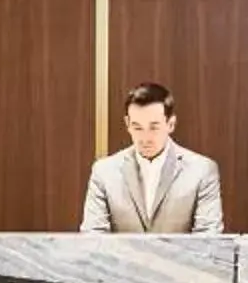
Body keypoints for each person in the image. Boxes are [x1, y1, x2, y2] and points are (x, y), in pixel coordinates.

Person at [80, 82, 226, 234]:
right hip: (119, 258)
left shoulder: (201, 171)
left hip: (179, 258)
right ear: (127, 124)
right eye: (137, 128)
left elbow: (208, 239)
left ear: (171, 124)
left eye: (154, 127)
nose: (145, 138)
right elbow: (93, 238)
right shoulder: (104, 172)